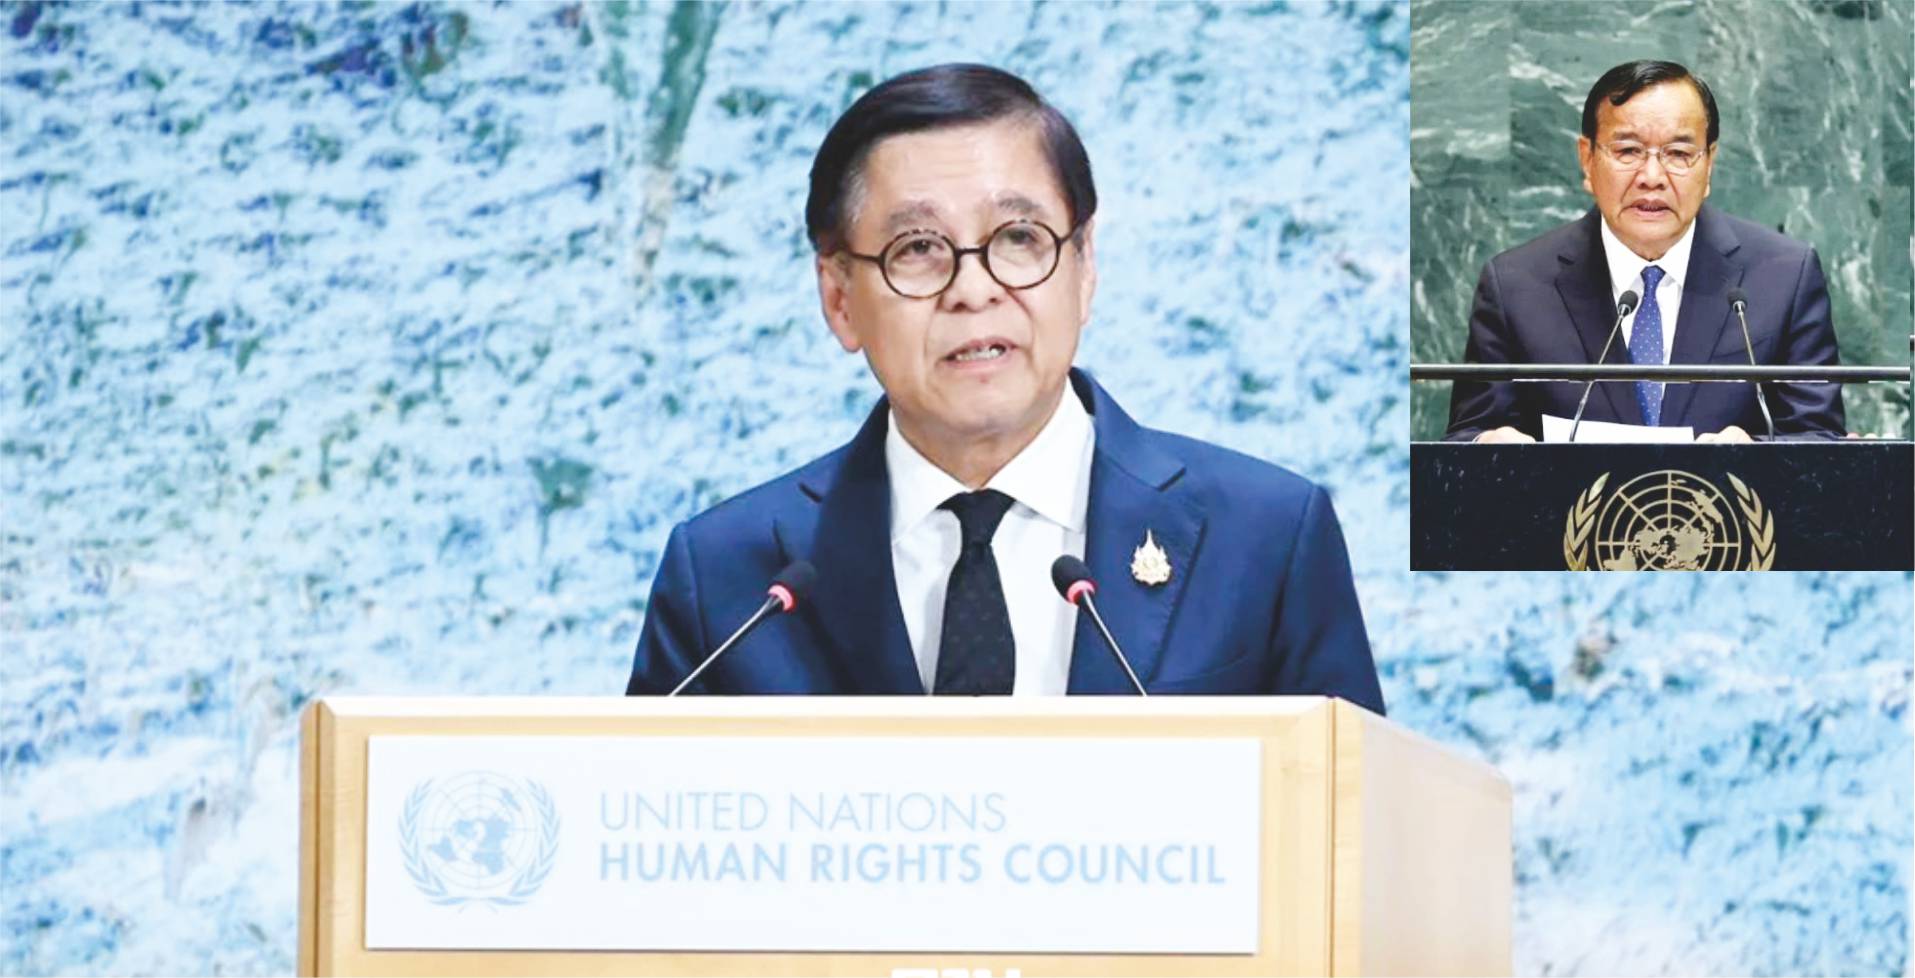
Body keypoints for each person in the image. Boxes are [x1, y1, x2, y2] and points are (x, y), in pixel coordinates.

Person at [625, 64, 1383, 712]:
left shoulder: (1264, 538)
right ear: (839, 298)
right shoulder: (727, 579)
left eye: (1019, 238)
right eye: (916, 248)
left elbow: (1349, 820)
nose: (974, 289)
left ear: (1085, 267)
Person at [1445, 60, 1845, 443]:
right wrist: (1488, 444)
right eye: (1628, 151)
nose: (1652, 177)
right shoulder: (1515, 287)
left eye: (1678, 154)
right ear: (1587, 159)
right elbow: (1469, 436)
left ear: (1709, 164)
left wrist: (1752, 453)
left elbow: (1819, 438)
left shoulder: (1784, 277)